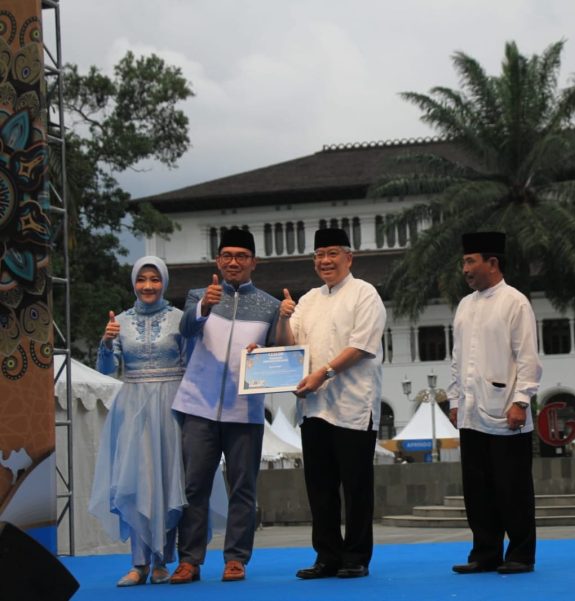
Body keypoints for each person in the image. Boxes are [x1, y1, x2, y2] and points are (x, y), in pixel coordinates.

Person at [169, 228, 282, 584]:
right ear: (218, 260)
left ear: (254, 262)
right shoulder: (198, 296)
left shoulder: (270, 305)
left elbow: (279, 354)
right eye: (227, 255)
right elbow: (186, 330)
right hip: (198, 407)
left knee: (243, 487)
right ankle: (189, 560)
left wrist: (263, 352)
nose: (234, 262)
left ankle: (236, 558)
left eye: (241, 256)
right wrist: (205, 305)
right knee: (193, 486)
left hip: (245, 411)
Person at [277, 228, 386, 580]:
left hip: (353, 406)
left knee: (356, 487)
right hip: (314, 407)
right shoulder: (307, 299)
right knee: (320, 487)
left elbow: (361, 346)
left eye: (332, 253)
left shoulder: (364, 294)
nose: (325, 260)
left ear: (348, 257)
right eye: (319, 254)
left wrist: (322, 374)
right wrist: (281, 317)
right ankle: (327, 556)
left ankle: (356, 556)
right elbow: (288, 345)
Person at [89, 257, 190, 586]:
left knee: (166, 480)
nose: (148, 286)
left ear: (164, 282)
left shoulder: (180, 319)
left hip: (171, 405)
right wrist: (105, 343)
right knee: (136, 481)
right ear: (134, 282)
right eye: (142, 279)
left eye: (155, 279)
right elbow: (106, 370)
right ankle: (138, 563)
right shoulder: (119, 321)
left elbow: (191, 365)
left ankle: (162, 561)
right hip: (132, 408)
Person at [447, 232, 542, 575]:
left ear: (493, 263)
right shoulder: (464, 305)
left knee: (512, 487)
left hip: (506, 411)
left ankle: (520, 554)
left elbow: (527, 357)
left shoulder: (514, 302)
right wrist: (455, 399)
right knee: (478, 490)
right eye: (463, 263)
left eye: (471, 261)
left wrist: (521, 400)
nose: (465, 269)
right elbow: (457, 358)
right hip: (471, 413)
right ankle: (485, 552)